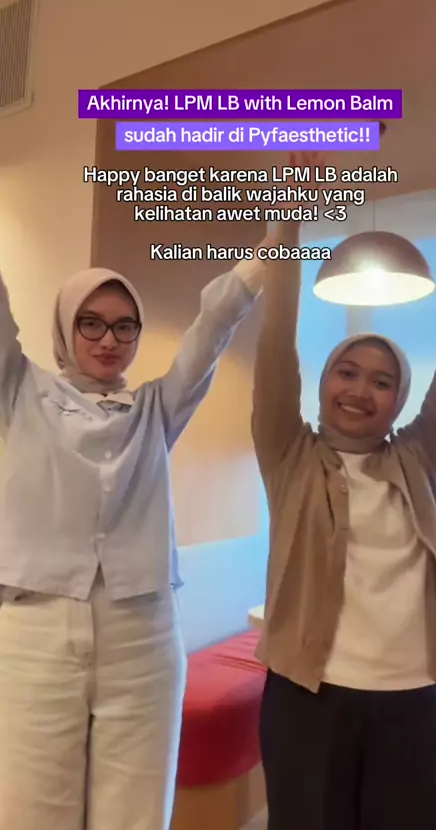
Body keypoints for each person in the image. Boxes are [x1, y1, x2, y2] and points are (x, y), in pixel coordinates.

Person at [0, 248, 268, 830]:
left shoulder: (156, 408)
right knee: (30, 813)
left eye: (125, 326)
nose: (108, 340)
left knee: (136, 816)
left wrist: (269, 251)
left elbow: (211, 331)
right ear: (65, 327)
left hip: (142, 637)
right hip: (34, 633)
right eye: (90, 323)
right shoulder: (18, 390)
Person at [252, 157, 436, 830]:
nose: (360, 389)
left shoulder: (420, 458)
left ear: (399, 399)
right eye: (346, 372)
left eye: (382, 381)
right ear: (323, 383)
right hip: (307, 697)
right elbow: (275, 344)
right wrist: (290, 219)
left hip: (416, 698)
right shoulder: (288, 453)